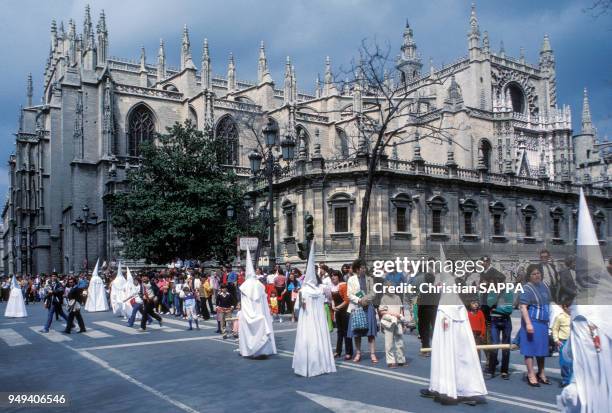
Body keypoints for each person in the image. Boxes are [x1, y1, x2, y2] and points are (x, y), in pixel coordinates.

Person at [421, 246, 487, 406]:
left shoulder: (457, 280)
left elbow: (468, 298)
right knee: (444, 353)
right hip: (446, 316)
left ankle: (464, 389)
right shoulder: (443, 279)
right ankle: (440, 386)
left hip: (454, 319)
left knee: (458, 354)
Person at [292, 242, 336, 377]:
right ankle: (321, 363)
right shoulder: (318, 289)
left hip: (309, 319)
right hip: (318, 320)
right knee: (317, 340)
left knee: (309, 340)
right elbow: (327, 300)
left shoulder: (304, 290)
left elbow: (298, 308)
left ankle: (309, 365)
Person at [238, 248, 276, 358]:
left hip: (248, 313)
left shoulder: (244, 287)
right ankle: (262, 350)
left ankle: (248, 350)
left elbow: (245, 304)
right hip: (260, 313)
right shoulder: (259, 285)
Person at [519, 264, 551, 387]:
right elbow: (523, 307)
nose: (537, 275)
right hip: (532, 321)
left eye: (538, 273)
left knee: (542, 350)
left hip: (543, 322)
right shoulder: (526, 288)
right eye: (533, 274)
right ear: (529, 276)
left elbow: (549, 302)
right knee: (530, 349)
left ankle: (541, 373)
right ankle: (531, 375)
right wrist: (528, 324)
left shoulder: (545, 286)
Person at [347, 258, 381, 363]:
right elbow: (349, 294)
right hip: (357, 307)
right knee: (357, 332)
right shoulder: (351, 279)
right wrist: (359, 300)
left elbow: (373, 293)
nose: (364, 269)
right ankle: (358, 353)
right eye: (362, 268)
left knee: (370, 333)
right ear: (357, 269)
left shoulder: (370, 278)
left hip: (368, 307)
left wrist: (365, 299)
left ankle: (372, 354)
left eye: (365, 267)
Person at [486, 276, 514, 380]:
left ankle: (504, 371)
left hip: (506, 321)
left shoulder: (509, 292)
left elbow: (509, 310)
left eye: (501, 282)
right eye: (497, 282)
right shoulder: (492, 291)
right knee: (494, 346)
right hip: (495, 322)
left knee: (505, 347)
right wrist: (499, 304)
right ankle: (491, 369)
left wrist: (495, 309)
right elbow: (489, 304)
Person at [379, 280, 405, 368]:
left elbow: (401, 310)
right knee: (389, 343)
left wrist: (402, 320)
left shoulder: (397, 297)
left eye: (392, 287)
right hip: (389, 322)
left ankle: (401, 360)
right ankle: (390, 361)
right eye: (390, 287)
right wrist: (394, 314)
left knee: (400, 342)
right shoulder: (384, 298)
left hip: (398, 322)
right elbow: (382, 311)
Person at [330, 270, 352, 359]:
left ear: (338, 276)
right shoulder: (333, 287)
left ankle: (349, 352)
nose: (333, 277)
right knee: (339, 331)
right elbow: (332, 298)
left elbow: (347, 300)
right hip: (338, 310)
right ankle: (338, 351)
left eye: (334, 275)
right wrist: (333, 306)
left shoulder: (343, 285)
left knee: (346, 332)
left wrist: (338, 307)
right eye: (331, 276)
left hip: (345, 311)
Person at [552, 304, 572, 388]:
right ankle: (566, 379)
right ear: (565, 307)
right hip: (563, 342)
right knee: (564, 362)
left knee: (574, 363)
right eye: (569, 307)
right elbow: (555, 329)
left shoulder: (575, 316)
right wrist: (556, 340)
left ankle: (573, 380)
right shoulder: (560, 317)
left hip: (573, 342)